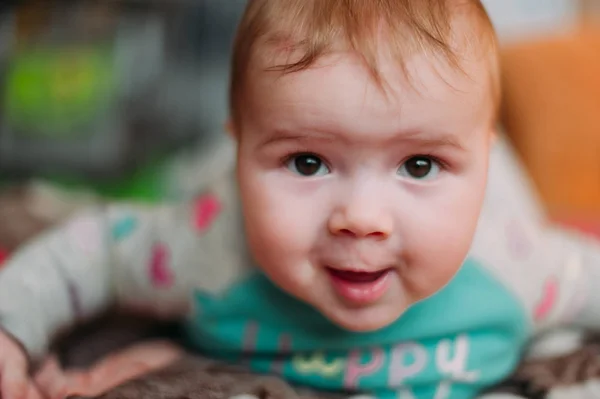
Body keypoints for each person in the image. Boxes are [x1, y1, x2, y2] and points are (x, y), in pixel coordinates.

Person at [1, 1, 599, 398]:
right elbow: (94, 251)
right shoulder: (205, 249)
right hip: (219, 171)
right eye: (307, 162)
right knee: (195, 179)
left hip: (500, 190)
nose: (362, 219)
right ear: (246, 155)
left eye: (419, 165)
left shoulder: (516, 265)